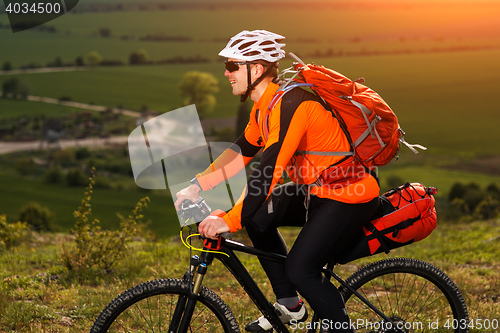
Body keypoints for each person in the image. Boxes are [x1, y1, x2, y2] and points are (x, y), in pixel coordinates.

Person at [174, 30, 380, 333]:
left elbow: (268, 171)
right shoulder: (264, 107)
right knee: (258, 218)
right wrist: (197, 185)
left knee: (301, 269)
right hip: (319, 190)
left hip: (349, 195)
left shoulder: (292, 104)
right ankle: (290, 306)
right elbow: (241, 151)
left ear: (255, 69)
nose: (227, 72)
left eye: (232, 66)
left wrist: (230, 220)